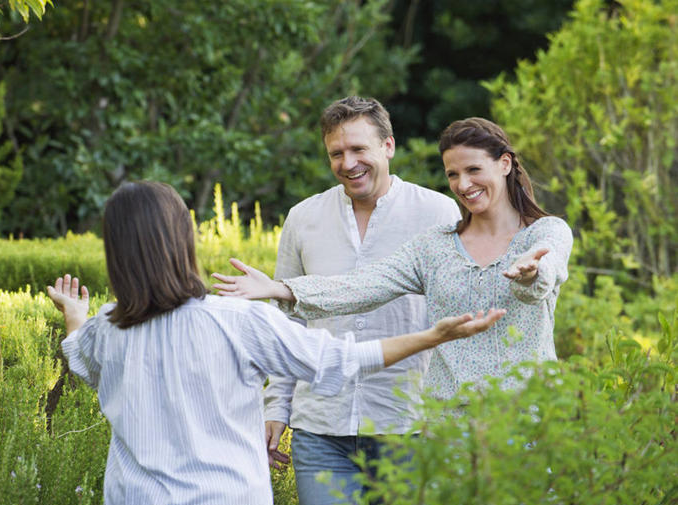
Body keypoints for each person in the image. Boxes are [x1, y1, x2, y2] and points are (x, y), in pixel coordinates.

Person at [45, 180, 504, 505]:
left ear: (115, 252)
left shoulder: (107, 328)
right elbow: (340, 360)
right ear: (180, 242)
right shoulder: (238, 320)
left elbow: (83, 362)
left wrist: (75, 317)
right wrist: (431, 336)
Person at [212, 115, 573, 402]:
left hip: (529, 420)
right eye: (453, 174)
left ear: (505, 164)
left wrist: (532, 273)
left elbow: (546, 272)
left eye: (474, 170)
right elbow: (360, 286)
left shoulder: (546, 233)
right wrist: (281, 289)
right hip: (449, 427)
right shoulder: (435, 246)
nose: (463, 185)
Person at [258, 96, 462, 505]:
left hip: (408, 422)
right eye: (336, 153)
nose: (348, 163)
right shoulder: (303, 218)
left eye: (359, 150)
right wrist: (276, 407)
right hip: (320, 425)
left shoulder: (439, 216)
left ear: (388, 145)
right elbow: (287, 324)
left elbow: (455, 322)